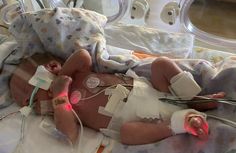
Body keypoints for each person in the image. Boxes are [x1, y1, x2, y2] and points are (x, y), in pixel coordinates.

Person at [9, 49, 224, 145]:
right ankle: (177, 125)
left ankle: (196, 100)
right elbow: (69, 134)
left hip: (157, 91)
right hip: (135, 121)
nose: (38, 102)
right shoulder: (61, 109)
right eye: (32, 102)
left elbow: (82, 55)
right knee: (127, 134)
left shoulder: (77, 73)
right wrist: (59, 97)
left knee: (162, 64)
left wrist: (63, 73)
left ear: (50, 69)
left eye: (36, 91)